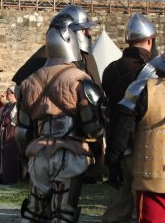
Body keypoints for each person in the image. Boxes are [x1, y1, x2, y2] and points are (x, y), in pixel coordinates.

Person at [19, 14, 103, 222]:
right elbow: (93, 127)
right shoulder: (80, 80)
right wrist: (99, 155)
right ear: (70, 40)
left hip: (38, 154)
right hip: (70, 153)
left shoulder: (28, 82)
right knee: (63, 212)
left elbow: (22, 130)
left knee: (33, 211)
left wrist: (25, 158)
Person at [102, 13, 157, 222]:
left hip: (116, 145)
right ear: (150, 41)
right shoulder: (151, 72)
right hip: (144, 149)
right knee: (144, 210)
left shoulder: (109, 70)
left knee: (117, 208)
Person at [105, 52, 164, 222]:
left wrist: (113, 164)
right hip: (152, 180)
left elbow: (121, 130)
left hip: (152, 182)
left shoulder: (141, 89)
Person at [0, 85, 22, 184]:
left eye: (8, 93)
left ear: (13, 94)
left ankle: (12, 178)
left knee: (11, 154)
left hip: (12, 131)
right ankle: (3, 176)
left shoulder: (17, 105)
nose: (6, 94)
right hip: (5, 130)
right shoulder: (7, 105)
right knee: (3, 154)